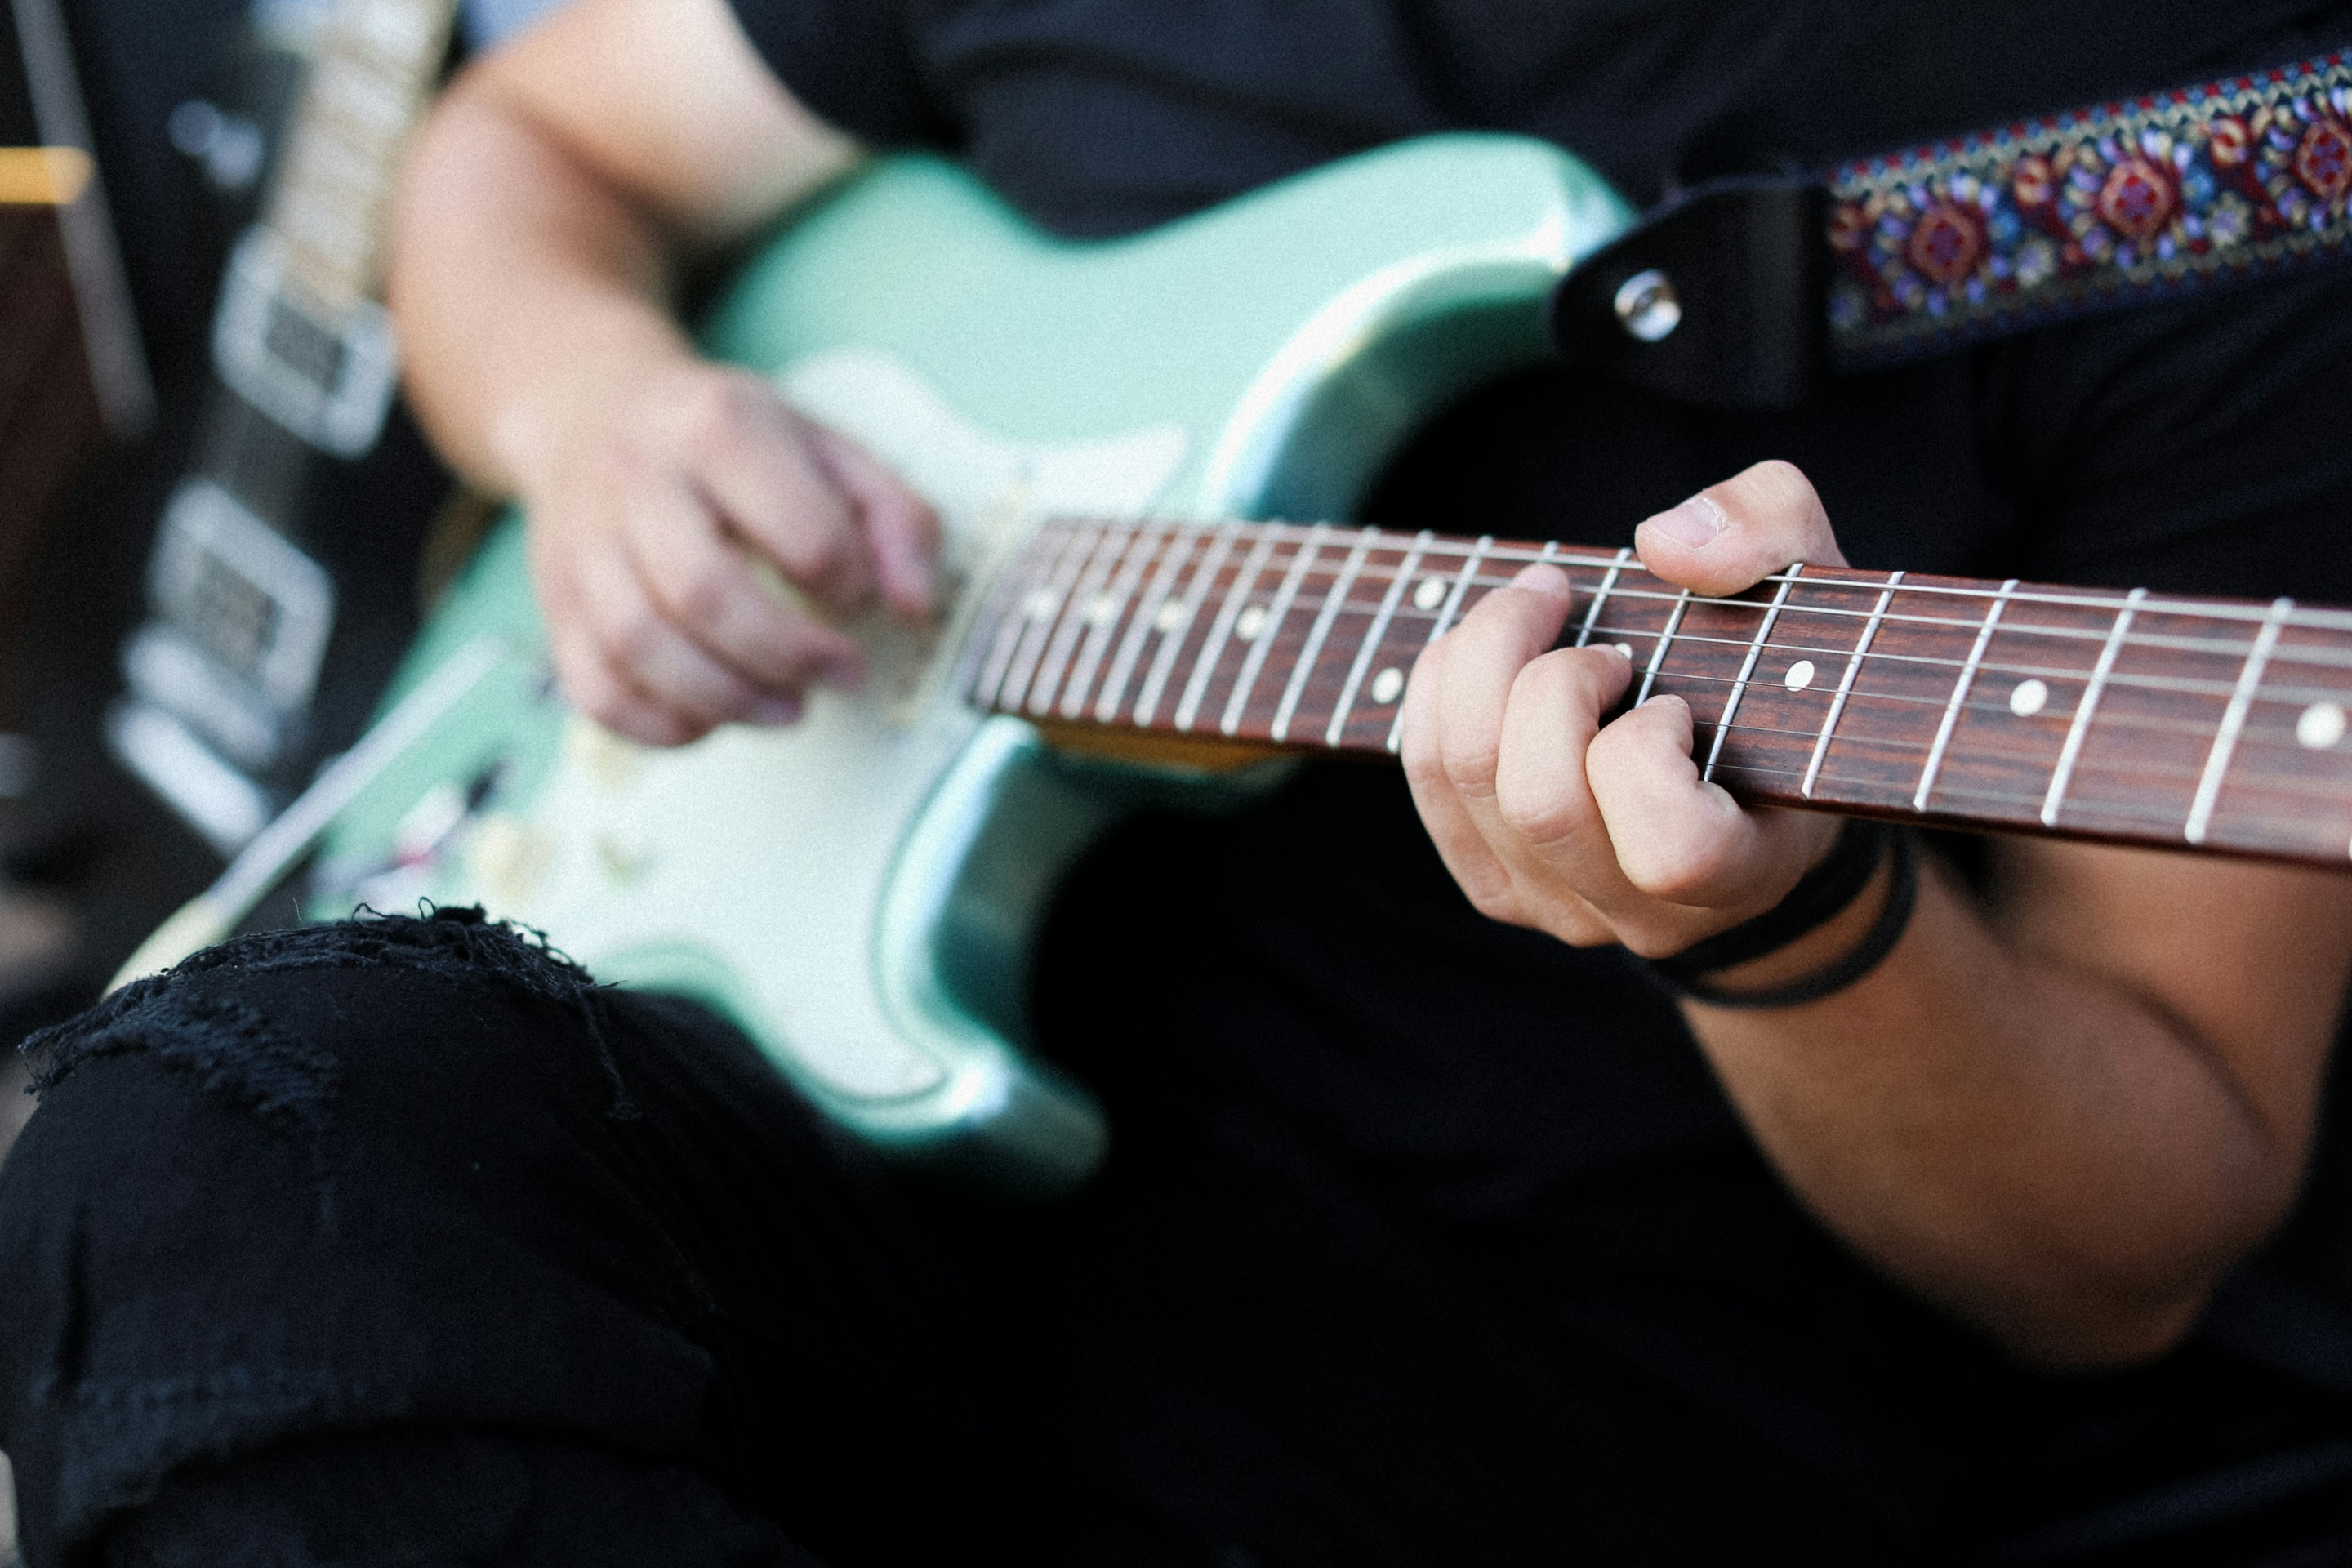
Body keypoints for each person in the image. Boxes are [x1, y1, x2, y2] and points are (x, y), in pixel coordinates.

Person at [10, 0, 2352, 1561]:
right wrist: (595, 410)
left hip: (1536, 1375)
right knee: (188, 1155)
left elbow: (2132, 1240)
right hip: (798, 1143)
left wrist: (1791, 928)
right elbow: (526, 146)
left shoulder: (2221, 151)